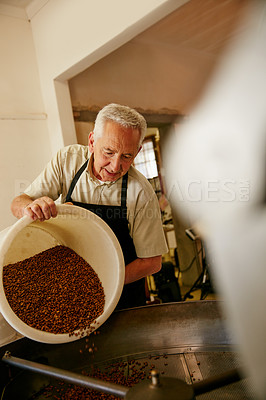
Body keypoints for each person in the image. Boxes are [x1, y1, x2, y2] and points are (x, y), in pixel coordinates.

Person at [11, 103, 168, 309]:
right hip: (67, 287)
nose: (115, 166)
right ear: (92, 142)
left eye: (127, 156)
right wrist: (30, 208)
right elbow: (18, 203)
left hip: (121, 297)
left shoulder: (140, 192)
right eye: (109, 152)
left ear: (137, 152)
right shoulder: (67, 161)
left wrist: (99, 285)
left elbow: (152, 262)